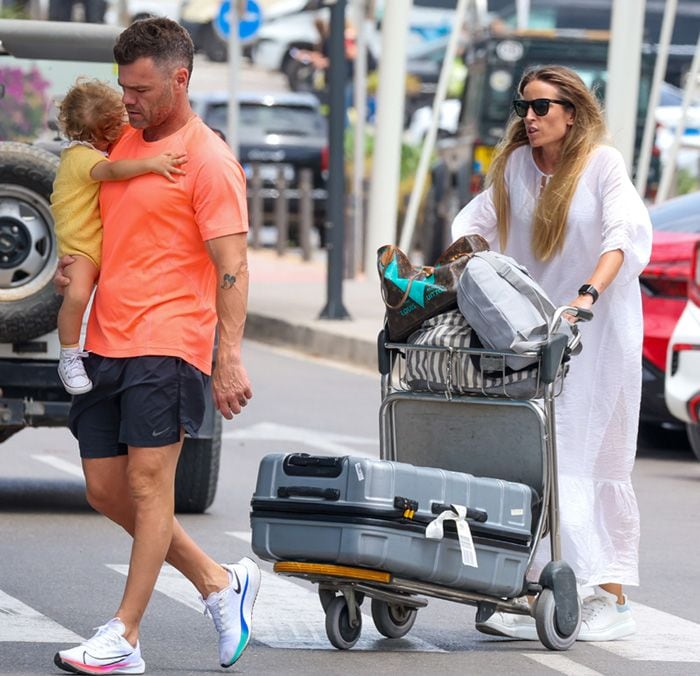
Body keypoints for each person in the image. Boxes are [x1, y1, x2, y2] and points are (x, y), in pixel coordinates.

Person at [52, 17, 259, 675]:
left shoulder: (209, 160)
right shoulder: (123, 145)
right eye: (123, 87)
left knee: (147, 485)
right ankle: (218, 582)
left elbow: (232, 266)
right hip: (105, 340)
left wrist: (227, 356)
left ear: (180, 79)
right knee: (105, 490)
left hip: (170, 342)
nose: (129, 101)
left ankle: (125, 635)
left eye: (140, 89)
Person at [450, 65, 652, 642]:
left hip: (596, 333)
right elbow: (475, 228)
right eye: (524, 108)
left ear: (572, 112)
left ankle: (608, 594)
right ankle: (544, 583)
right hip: (529, 334)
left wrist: (586, 295)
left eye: (541, 108)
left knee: (583, 455)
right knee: (533, 452)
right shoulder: (515, 168)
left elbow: (624, 234)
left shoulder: (601, 165)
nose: (529, 118)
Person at [51, 78, 187, 396]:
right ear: (94, 135)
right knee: (77, 296)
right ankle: (69, 355)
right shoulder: (81, 158)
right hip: (82, 247)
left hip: (99, 245)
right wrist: (152, 164)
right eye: (110, 132)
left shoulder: (89, 148)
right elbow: (113, 172)